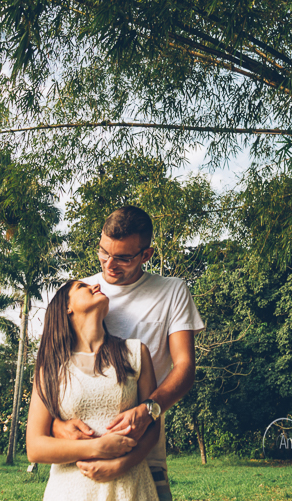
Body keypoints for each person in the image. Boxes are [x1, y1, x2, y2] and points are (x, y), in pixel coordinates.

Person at [54, 207, 206, 501]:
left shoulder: (172, 291)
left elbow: (185, 367)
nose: (109, 265)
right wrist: (55, 425)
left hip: (144, 449)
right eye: (103, 252)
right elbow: (55, 370)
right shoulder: (81, 294)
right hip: (81, 458)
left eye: (123, 258)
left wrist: (150, 410)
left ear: (146, 255)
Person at [26, 280, 161, 501]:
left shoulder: (136, 352)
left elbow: (152, 428)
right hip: (70, 490)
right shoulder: (50, 367)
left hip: (129, 486)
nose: (95, 285)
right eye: (81, 286)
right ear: (66, 307)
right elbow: (35, 446)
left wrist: (121, 464)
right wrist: (97, 447)